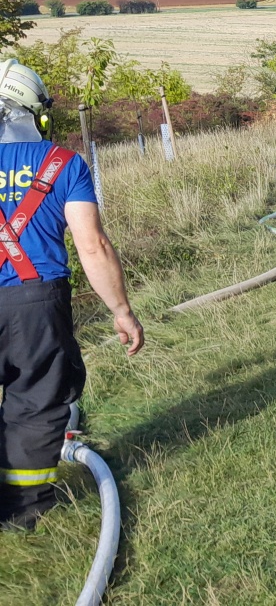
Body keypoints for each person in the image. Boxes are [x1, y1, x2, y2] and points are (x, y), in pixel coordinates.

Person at [0, 58, 143, 532]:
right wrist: (121, 310)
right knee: (35, 402)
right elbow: (92, 245)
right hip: (35, 306)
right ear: (37, 112)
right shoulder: (63, 164)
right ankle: (22, 512)